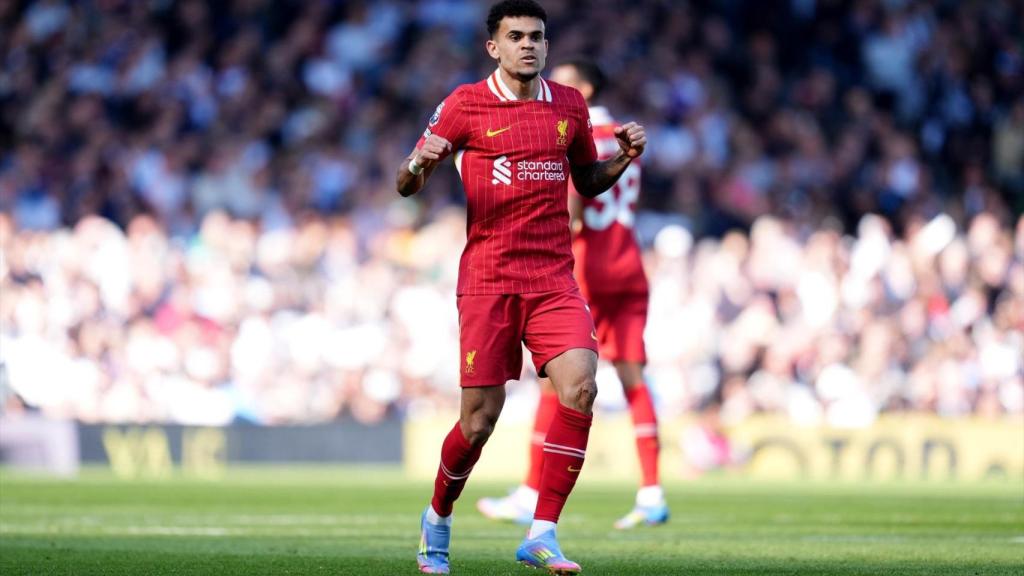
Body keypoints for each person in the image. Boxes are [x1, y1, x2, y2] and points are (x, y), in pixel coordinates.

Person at [396, 1, 646, 573]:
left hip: (554, 277)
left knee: (581, 386)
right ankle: (437, 517)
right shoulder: (465, 104)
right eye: (515, 36)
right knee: (478, 422)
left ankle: (543, 532)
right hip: (488, 280)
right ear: (494, 47)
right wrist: (418, 163)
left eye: (536, 36)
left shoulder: (570, 106)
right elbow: (405, 183)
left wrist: (622, 159)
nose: (528, 45)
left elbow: (586, 179)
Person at [476, 59, 668, 531]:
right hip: (629, 261)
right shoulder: (624, 132)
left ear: (581, 86)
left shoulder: (570, 131)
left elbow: (574, 210)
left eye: (560, 79)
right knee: (633, 376)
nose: (549, 85)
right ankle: (651, 491)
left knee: (552, 380)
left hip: (587, 265)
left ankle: (530, 491)